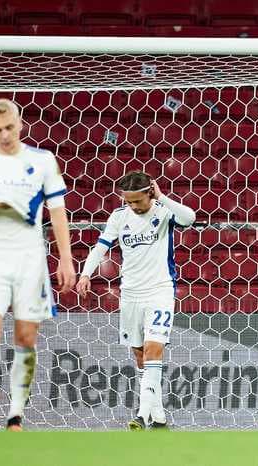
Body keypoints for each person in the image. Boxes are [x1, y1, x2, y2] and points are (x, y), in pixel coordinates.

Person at [0, 98, 75, 431]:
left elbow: (57, 211)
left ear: (20, 124)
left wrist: (65, 258)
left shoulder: (43, 160)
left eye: (9, 128)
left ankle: (16, 414)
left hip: (31, 260)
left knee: (25, 338)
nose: (4, 135)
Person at [76, 171, 195, 430]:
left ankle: (141, 415)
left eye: (137, 201)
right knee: (141, 358)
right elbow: (101, 247)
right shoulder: (119, 217)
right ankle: (159, 416)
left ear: (150, 192)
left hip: (160, 291)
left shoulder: (163, 212)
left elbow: (190, 217)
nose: (133, 206)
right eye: (128, 201)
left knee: (154, 350)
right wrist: (85, 274)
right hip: (130, 295)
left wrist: (162, 197)